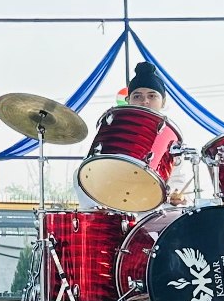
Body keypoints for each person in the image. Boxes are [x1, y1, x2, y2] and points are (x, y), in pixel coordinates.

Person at [78, 61, 192, 210]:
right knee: (80, 175)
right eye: (137, 96)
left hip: (153, 210)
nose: (145, 101)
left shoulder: (169, 138)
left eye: (152, 96)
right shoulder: (116, 125)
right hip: (112, 203)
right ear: (128, 100)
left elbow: (178, 183)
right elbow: (95, 166)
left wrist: (176, 196)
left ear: (163, 101)